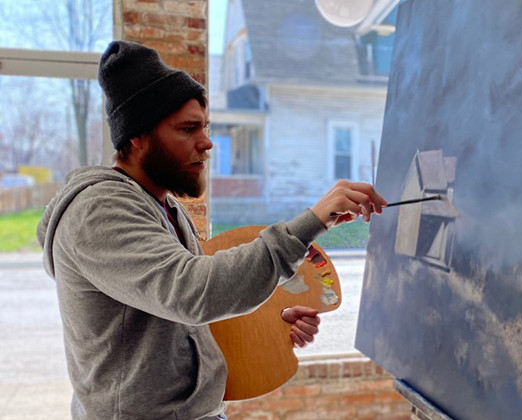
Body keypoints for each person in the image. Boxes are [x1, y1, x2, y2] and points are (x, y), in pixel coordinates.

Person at [36, 40, 386, 420]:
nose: (207, 143)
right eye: (188, 129)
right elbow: (192, 292)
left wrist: (268, 323)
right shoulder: (98, 210)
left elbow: (183, 317)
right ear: (136, 137)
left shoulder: (164, 205)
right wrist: (311, 221)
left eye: (205, 127)